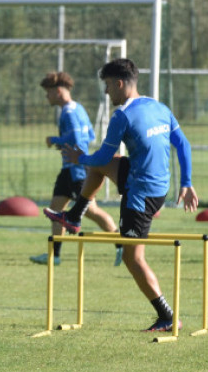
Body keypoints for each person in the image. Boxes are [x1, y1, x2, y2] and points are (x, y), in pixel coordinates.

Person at [44, 58, 198, 332]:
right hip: (156, 183)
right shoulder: (158, 106)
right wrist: (186, 182)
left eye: (107, 86)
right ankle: (75, 215)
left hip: (141, 194)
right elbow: (183, 144)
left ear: (118, 83)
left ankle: (167, 315)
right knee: (105, 164)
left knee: (132, 258)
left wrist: (81, 158)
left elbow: (99, 154)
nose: (106, 93)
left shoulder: (122, 116)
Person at [30, 71, 123, 267]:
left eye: (48, 93)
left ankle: (120, 244)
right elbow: (89, 135)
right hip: (69, 168)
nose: (46, 97)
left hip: (76, 170)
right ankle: (54, 255)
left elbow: (76, 140)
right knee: (55, 209)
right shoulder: (78, 108)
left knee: (91, 211)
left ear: (58, 91)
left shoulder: (68, 113)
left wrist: (54, 140)